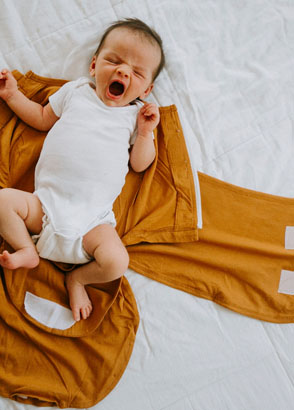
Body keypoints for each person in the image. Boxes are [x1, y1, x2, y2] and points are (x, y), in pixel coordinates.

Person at [0, 18, 165, 321]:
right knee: (2, 201)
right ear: (93, 66)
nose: (123, 71)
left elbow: (140, 164)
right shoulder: (76, 92)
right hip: (45, 207)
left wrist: (145, 133)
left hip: (93, 224)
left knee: (116, 262)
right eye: (113, 60)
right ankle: (27, 250)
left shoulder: (135, 119)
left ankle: (78, 278)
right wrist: (12, 95)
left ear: (148, 88)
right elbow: (40, 117)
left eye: (137, 72)